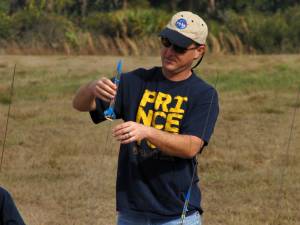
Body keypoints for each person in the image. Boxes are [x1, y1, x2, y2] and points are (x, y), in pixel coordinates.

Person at [73, 11, 219, 225]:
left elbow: (191, 147)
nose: (169, 52)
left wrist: (147, 131)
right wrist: (91, 88)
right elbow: (80, 105)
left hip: (177, 215)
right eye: (166, 42)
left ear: (199, 51)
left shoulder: (204, 94)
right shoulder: (136, 81)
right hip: (131, 213)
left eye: (178, 47)